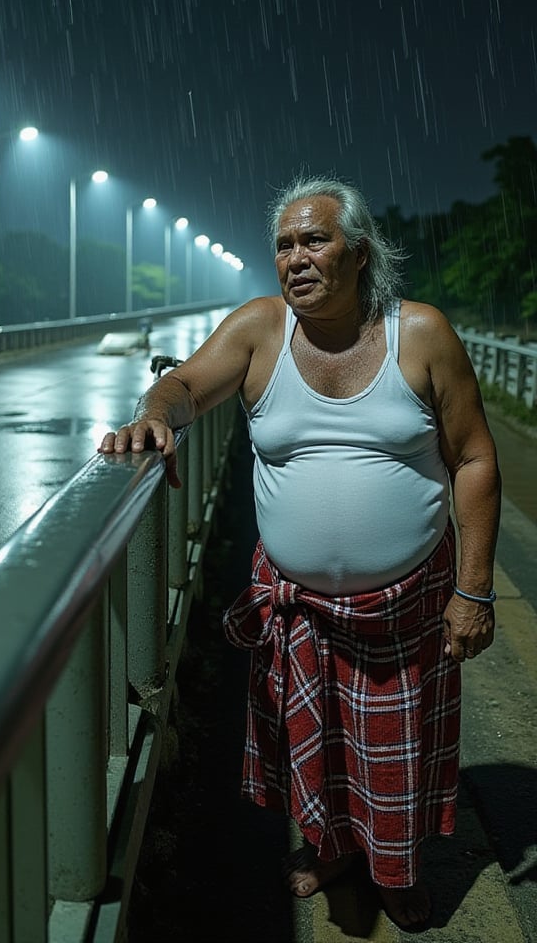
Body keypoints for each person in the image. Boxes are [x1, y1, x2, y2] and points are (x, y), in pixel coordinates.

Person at [99, 175, 501, 930]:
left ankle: (395, 865)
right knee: (311, 746)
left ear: (359, 253)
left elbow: (475, 459)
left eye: (315, 240)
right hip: (298, 607)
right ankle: (329, 849)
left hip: (407, 604)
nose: (296, 258)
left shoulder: (420, 333)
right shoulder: (259, 329)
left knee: (399, 748)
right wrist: (154, 415)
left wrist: (474, 590)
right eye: (284, 245)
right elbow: (185, 385)